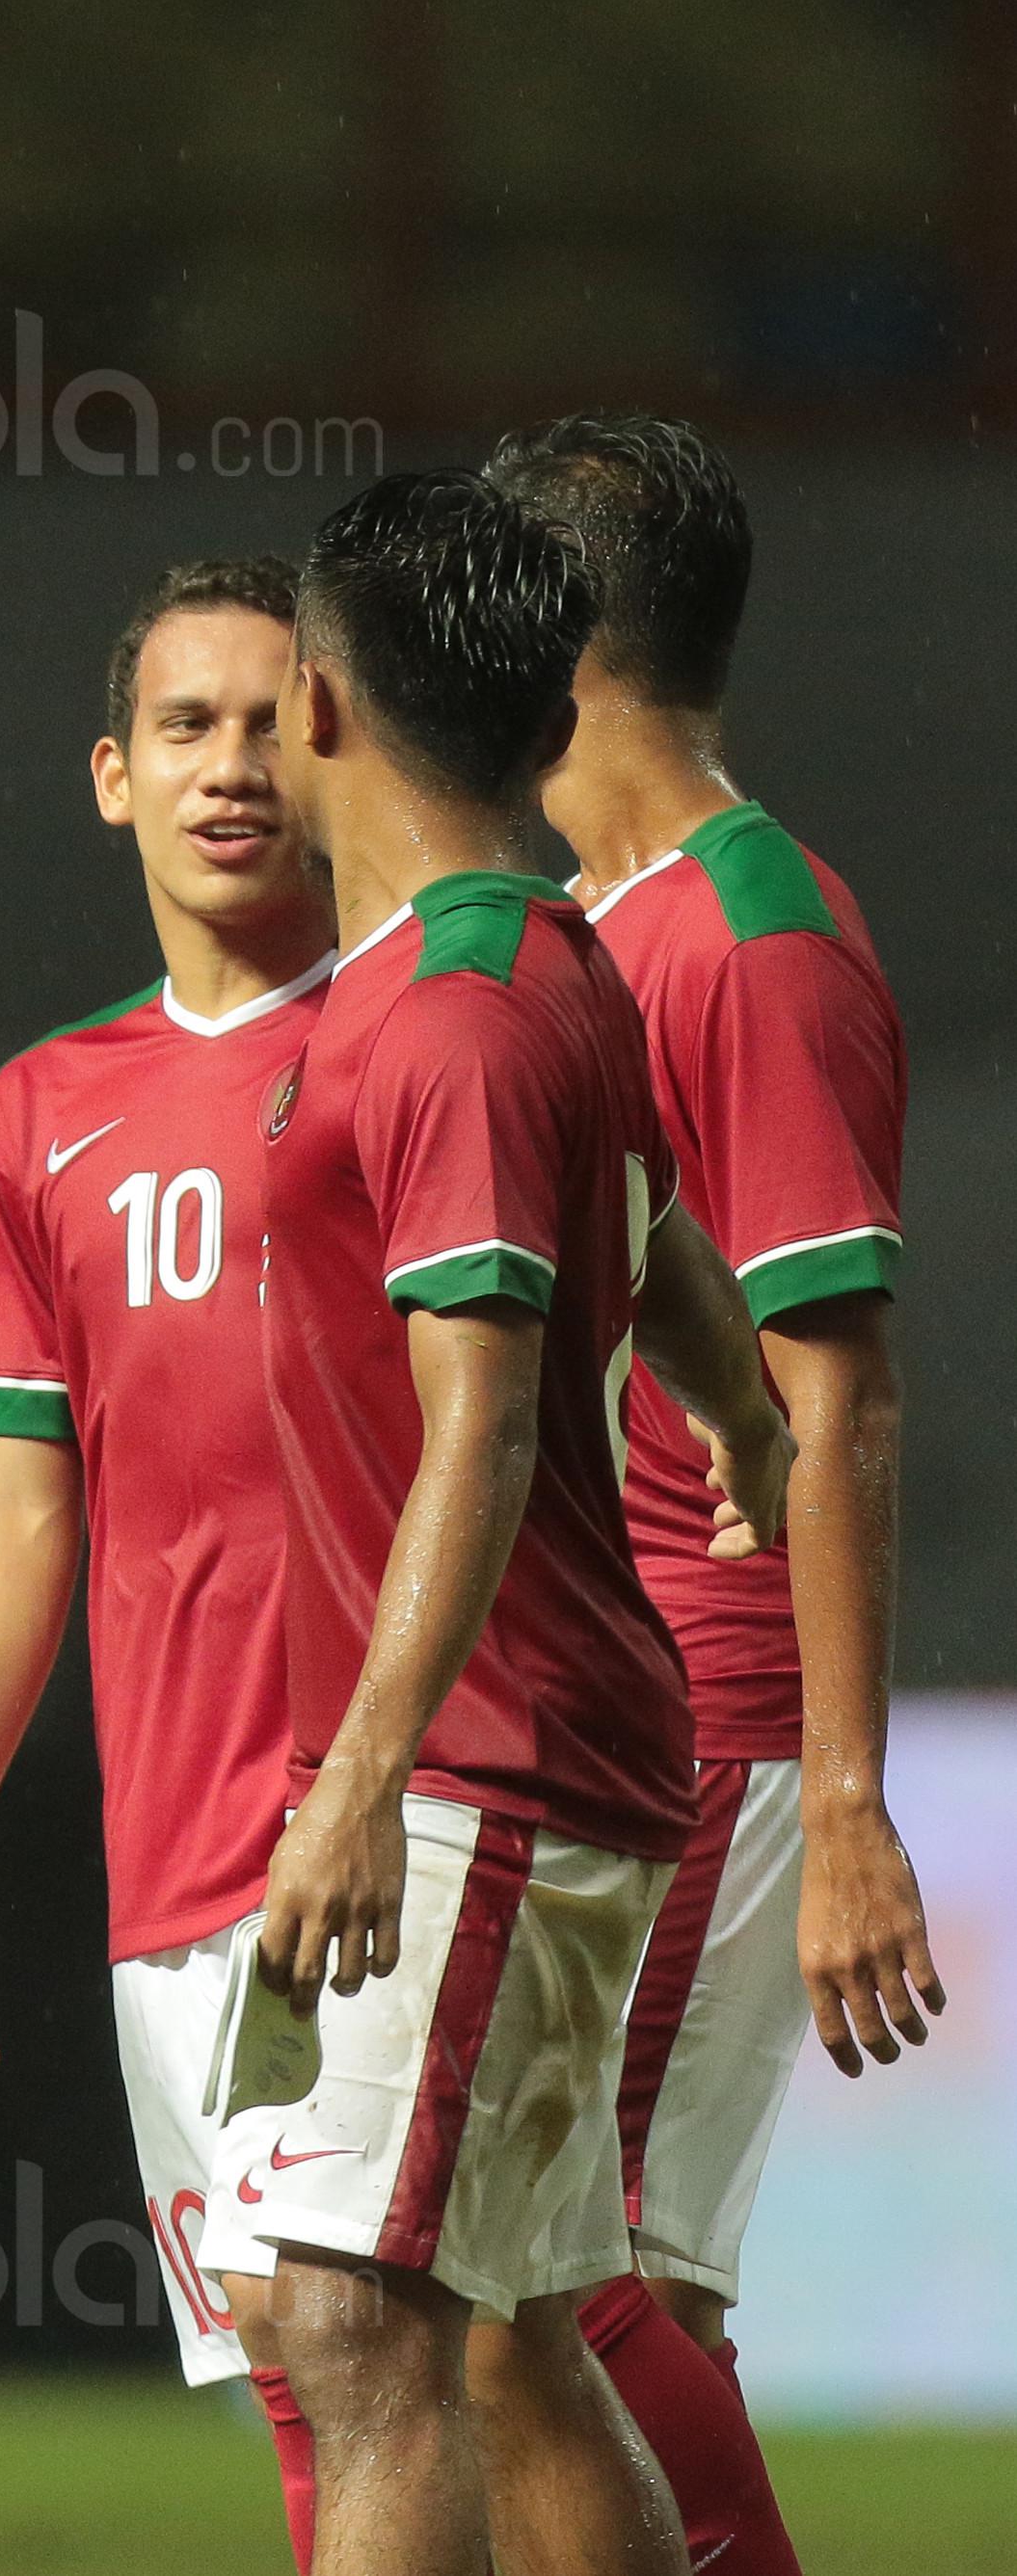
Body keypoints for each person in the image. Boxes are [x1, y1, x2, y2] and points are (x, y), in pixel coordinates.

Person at [235, 469, 790, 2576]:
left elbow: (469, 1429)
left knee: (351, 2320)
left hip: (472, 1764)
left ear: (313, 704)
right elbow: (653, 1228)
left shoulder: (451, 1011)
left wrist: (358, 1775)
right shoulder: (527, 959)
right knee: (517, 2335)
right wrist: (736, 1412)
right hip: (534, 1750)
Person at [492, 410, 942, 2576]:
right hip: (628, 1690)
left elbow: (830, 1397)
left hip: (713, 1709)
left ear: (553, 637)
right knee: (607, 2289)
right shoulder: (604, 923)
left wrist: (838, 1793)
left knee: (548, 2284)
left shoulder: (747, 943)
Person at [0, 558, 341, 2556]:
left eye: (265, 721)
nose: (224, 766)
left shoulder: (420, 1037)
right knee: (301, 2360)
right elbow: (14, 1491)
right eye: (181, 726)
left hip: (400, 1811)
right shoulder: (42, 1110)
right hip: (174, 1843)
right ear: (107, 776)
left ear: (332, 750)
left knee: (447, 2332)